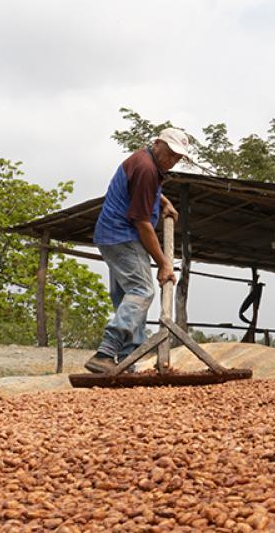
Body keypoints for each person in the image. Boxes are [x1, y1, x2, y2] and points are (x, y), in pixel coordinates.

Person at [84, 128, 191, 373]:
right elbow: (142, 223)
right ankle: (106, 352)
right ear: (157, 144)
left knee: (126, 297)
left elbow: (146, 191)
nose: (172, 160)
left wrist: (163, 201)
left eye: (177, 157)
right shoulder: (146, 168)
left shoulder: (146, 162)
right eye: (170, 153)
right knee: (142, 290)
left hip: (110, 236)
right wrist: (164, 263)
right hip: (124, 236)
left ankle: (129, 359)